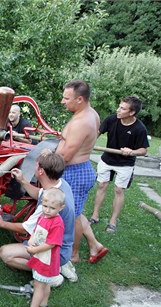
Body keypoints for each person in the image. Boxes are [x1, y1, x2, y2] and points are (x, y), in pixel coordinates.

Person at [0, 152, 77, 286]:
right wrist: (23, 181)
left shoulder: (46, 208)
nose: (34, 168)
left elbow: (25, 228)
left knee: (5, 253)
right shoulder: (59, 186)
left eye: (36, 166)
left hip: (54, 250)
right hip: (62, 245)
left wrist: (1, 223)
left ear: (41, 171)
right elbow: (38, 194)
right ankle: (55, 266)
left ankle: (51, 273)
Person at [55, 80, 108, 264]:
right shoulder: (90, 113)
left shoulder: (82, 122)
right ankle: (95, 245)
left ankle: (73, 255)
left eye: (66, 98)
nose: (63, 101)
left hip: (74, 172)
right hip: (81, 169)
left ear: (79, 99)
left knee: (73, 217)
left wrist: (47, 159)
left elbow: (66, 156)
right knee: (76, 211)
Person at [89, 96, 149, 232]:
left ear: (132, 112)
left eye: (122, 108)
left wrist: (132, 151)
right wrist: (89, 144)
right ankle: (94, 216)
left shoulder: (140, 129)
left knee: (118, 190)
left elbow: (144, 150)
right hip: (107, 159)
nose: (118, 110)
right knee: (102, 185)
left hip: (125, 164)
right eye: (119, 106)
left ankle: (112, 222)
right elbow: (97, 133)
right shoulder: (111, 119)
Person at [15, 187, 65, 307]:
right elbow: (36, 230)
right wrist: (30, 240)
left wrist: (34, 250)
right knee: (45, 283)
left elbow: (51, 243)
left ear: (61, 208)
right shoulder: (44, 216)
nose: (47, 210)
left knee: (38, 285)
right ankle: (43, 304)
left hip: (47, 260)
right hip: (41, 257)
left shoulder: (57, 223)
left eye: (52, 208)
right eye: (45, 206)